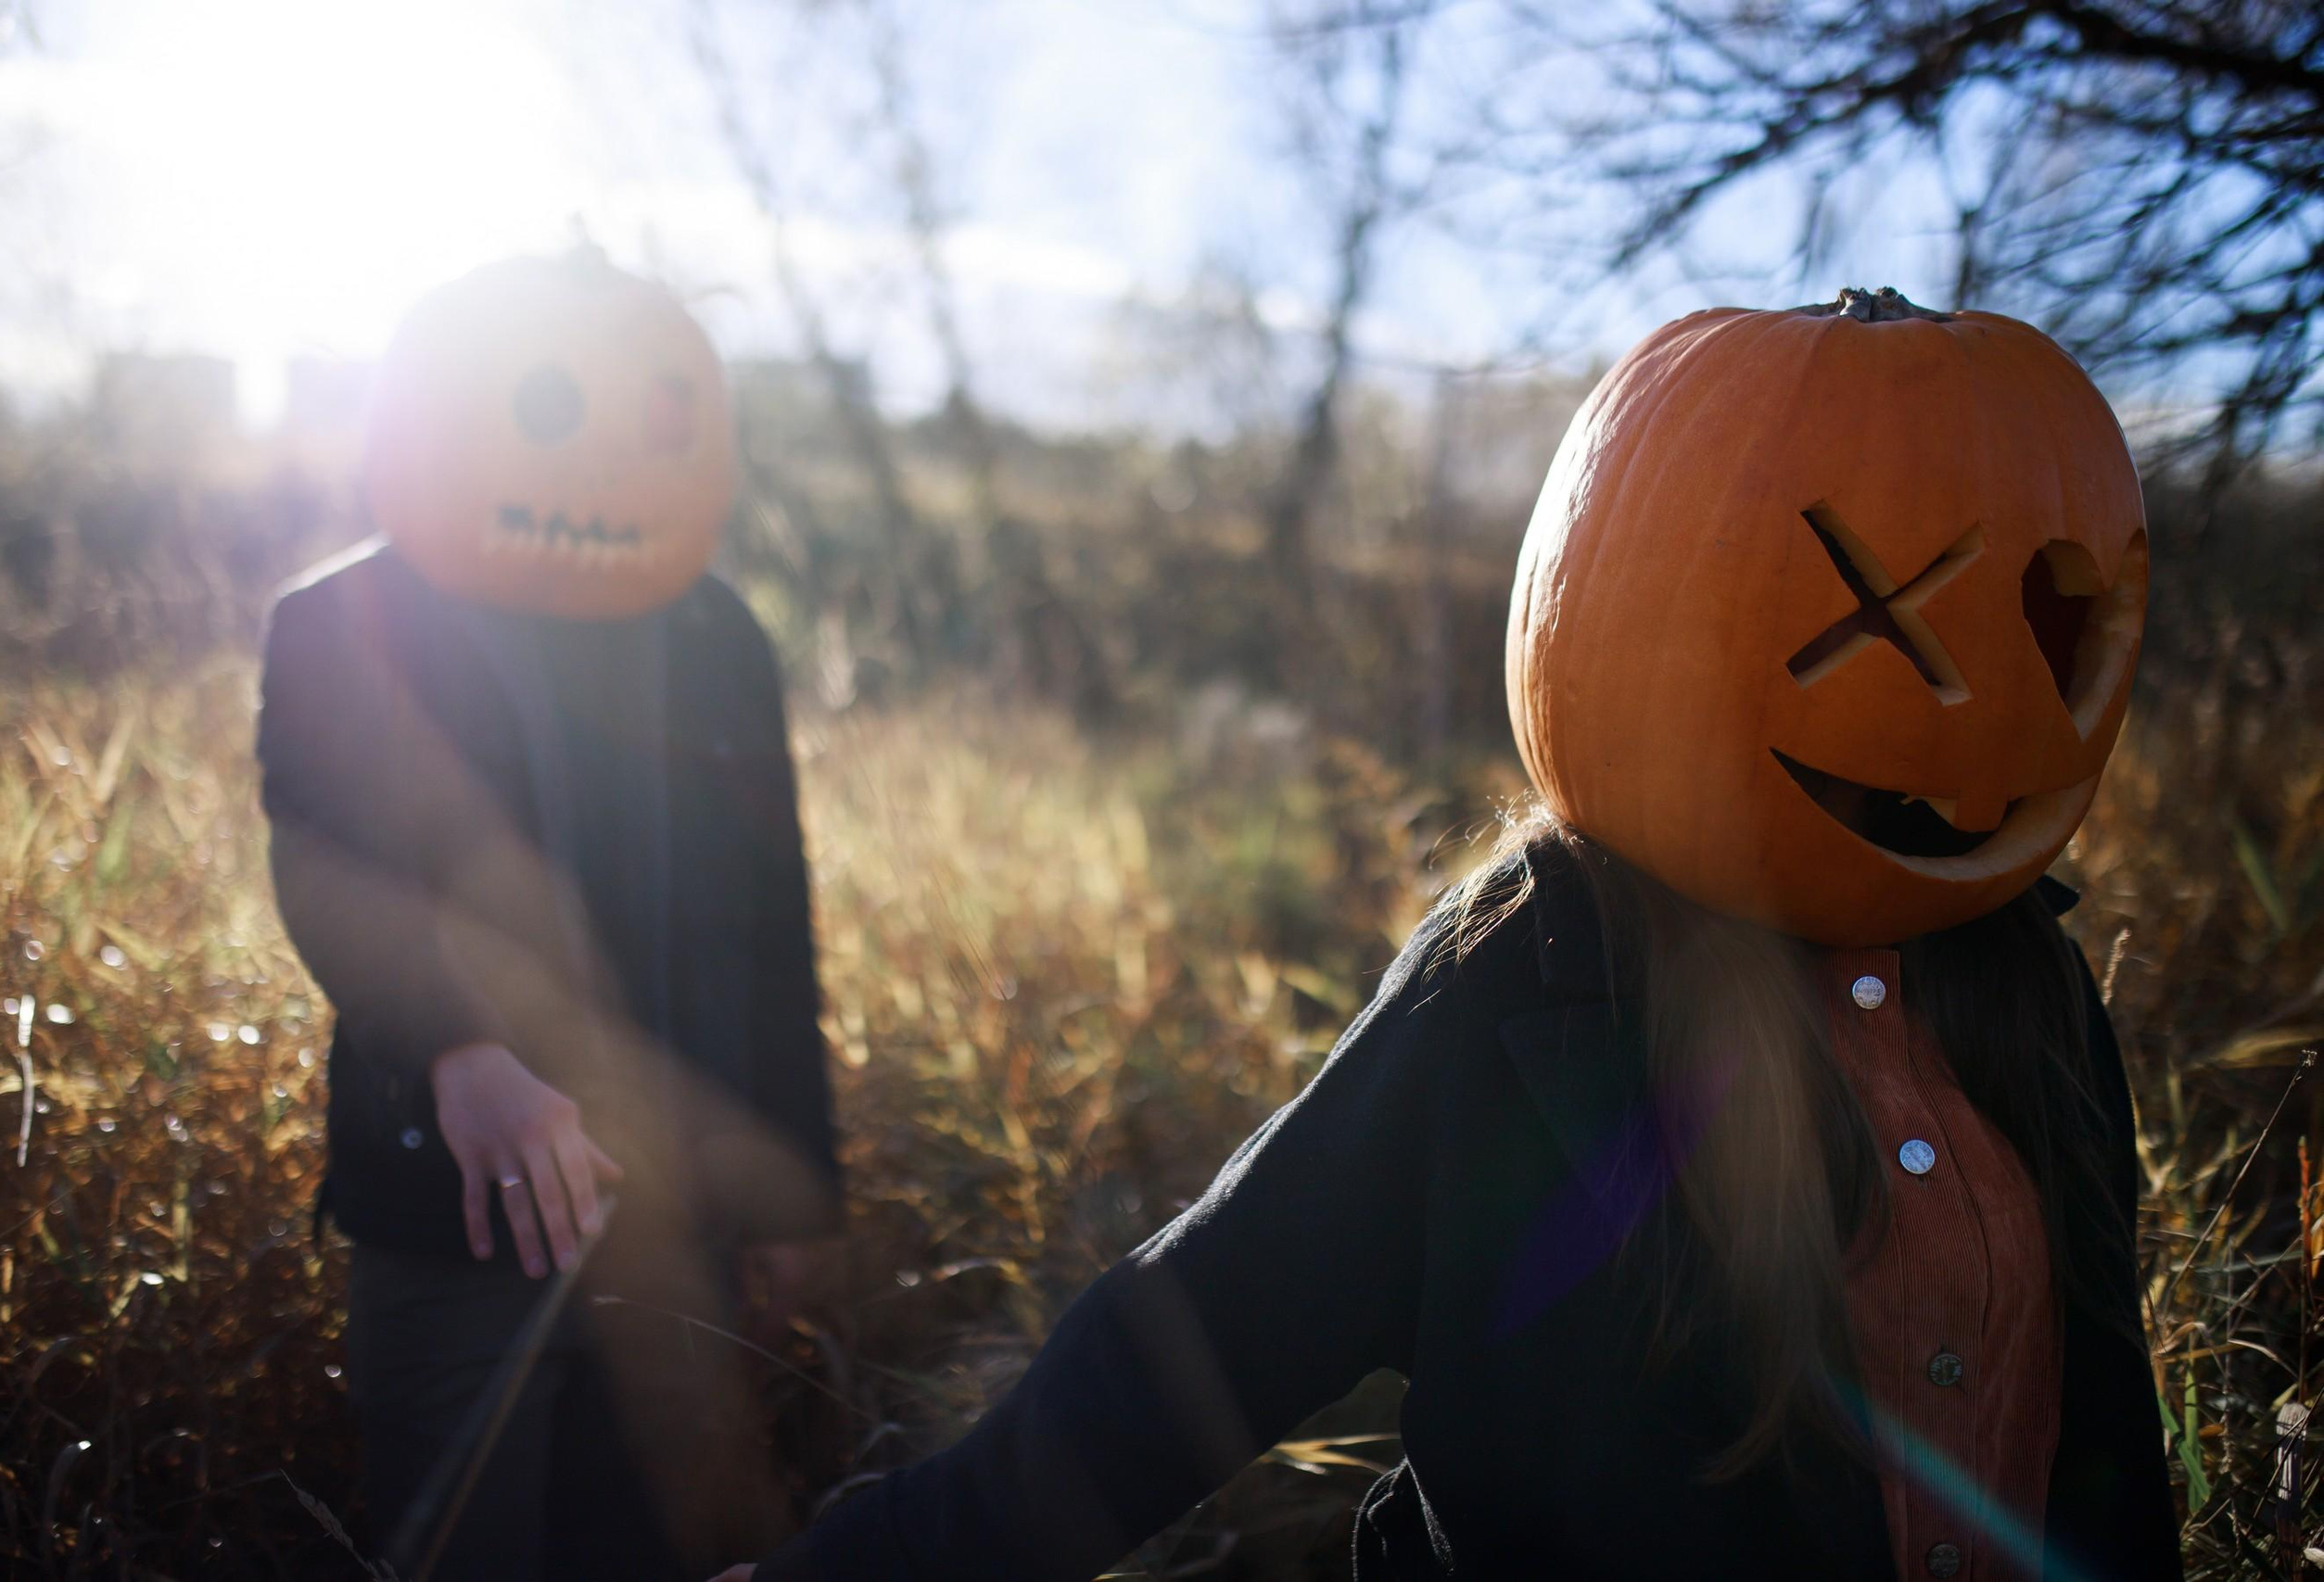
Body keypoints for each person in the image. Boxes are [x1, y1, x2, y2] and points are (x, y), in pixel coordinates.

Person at [718, 290, 2178, 1581]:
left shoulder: (2029, 979)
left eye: (2040, 629)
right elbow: (1199, 1339)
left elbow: (2103, 1422)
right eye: (1880, 619)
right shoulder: (1531, 984)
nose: (1991, 708)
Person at [259, 251, 838, 1581]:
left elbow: (770, 920)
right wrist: (463, 1050)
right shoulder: (345, 622)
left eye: (662, 415)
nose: (602, 465)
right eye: (551, 404)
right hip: (457, 1216)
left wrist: (797, 1184)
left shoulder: (716, 642)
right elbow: (327, 865)